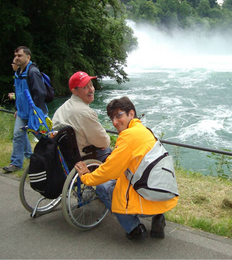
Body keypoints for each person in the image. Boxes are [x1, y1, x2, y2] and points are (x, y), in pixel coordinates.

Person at [75, 97, 178, 240]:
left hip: (145, 196)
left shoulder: (128, 136)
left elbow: (109, 171)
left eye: (119, 116)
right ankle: (158, 218)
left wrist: (86, 177)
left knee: (103, 187)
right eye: (112, 118)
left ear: (131, 113)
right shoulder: (145, 130)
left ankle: (134, 229)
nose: (115, 122)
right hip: (164, 194)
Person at [3, 46, 47, 172]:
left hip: (35, 114)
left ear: (28, 57)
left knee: (44, 138)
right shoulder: (18, 73)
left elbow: (40, 93)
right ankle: (16, 163)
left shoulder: (33, 72)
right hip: (22, 113)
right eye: (15, 55)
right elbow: (19, 93)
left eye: (20, 56)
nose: (16, 58)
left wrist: (36, 113)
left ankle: (53, 158)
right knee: (17, 135)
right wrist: (17, 108)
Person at [52, 71, 111, 161]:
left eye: (91, 85)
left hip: (64, 158)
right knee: (109, 152)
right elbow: (104, 142)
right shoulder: (84, 113)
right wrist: (106, 141)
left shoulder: (62, 109)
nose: (91, 90)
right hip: (83, 158)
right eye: (85, 87)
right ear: (74, 91)